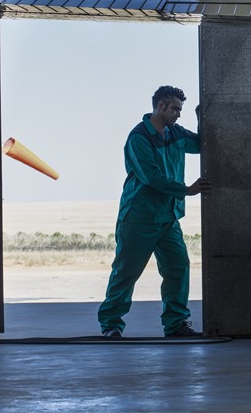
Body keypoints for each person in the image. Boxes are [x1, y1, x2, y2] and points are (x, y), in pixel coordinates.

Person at [98, 86, 210, 338]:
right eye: (175, 109)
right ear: (160, 106)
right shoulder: (139, 137)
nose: (178, 114)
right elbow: (151, 177)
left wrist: (203, 118)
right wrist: (187, 190)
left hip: (168, 219)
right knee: (126, 273)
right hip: (139, 218)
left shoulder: (175, 133)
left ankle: (176, 324)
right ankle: (111, 324)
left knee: (177, 267)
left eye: (180, 110)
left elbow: (202, 145)